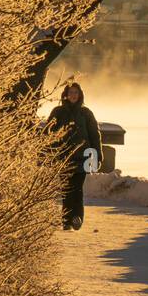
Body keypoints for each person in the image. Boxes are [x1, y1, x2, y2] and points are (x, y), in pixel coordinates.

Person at [45, 82, 102, 230]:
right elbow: (48, 133)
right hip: (63, 158)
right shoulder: (58, 112)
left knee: (77, 189)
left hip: (82, 157)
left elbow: (94, 136)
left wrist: (97, 156)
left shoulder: (86, 113)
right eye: (71, 92)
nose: (73, 95)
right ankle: (66, 220)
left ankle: (77, 218)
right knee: (66, 190)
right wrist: (47, 153)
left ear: (80, 95)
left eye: (76, 93)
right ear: (65, 95)